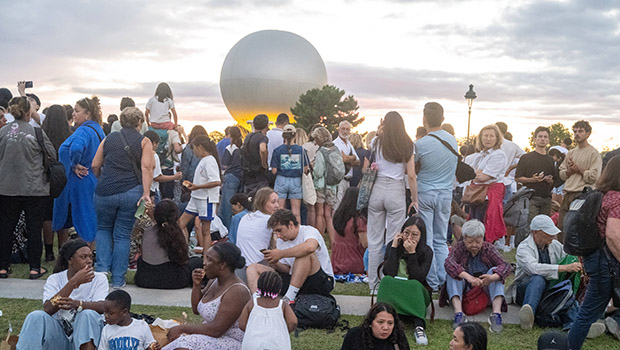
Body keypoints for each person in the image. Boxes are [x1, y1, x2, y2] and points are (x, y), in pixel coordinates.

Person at [92, 106, 154, 288]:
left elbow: (95, 165)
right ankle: (118, 279)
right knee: (122, 235)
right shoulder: (144, 142)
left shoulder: (108, 138)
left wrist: (99, 181)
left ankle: (101, 274)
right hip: (131, 192)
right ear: (139, 122)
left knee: (103, 229)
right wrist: (146, 193)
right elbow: (147, 168)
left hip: (105, 191)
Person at [567, 155, 620, 349]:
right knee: (587, 314)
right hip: (608, 264)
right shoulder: (617, 199)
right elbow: (613, 235)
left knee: (586, 312)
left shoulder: (603, 195)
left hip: (596, 260)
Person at [0, 96, 56, 279]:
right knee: (34, 228)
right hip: (34, 187)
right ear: (28, 112)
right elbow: (51, 154)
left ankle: (2, 267)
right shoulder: (36, 132)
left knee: (6, 227)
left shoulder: (2, 132)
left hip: (7, 186)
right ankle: (34, 267)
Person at [16, 239, 108, 350]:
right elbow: (48, 308)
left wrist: (78, 304)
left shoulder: (99, 279)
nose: (89, 261)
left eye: (90, 257)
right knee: (36, 316)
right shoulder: (55, 279)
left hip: (86, 336)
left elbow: (102, 306)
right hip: (59, 336)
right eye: (83, 257)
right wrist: (73, 283)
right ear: (70, 260)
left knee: (87, 314)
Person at [163, 242, 251, 350]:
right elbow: (196, 309)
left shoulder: (237, 291)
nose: (204, 263)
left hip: (231, 341)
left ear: (222, 265)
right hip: (212, 336)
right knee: (172, 337)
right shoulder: (213, 281)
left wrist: (183, 328)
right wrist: (196, 285)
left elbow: (216, 330)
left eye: (209, 260)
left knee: (185, 342)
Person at [365, 111, 417, 292]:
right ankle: (388, 281)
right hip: (396, 188)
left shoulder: (377, 142)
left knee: (374, 241)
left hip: (377, 188)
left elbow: (372, 142)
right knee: (392, 240)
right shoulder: (408, 144)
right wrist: (415, 199)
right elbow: (411, 175)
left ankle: (373, 285)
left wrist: (380, 129)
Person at [505, 215, 584, 330]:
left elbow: (568, 254)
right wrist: (564, 268)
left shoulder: (554, 244)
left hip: (548, 289)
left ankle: (576, 325)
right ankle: (529, 314)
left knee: (566, 292)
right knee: (538, 278)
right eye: (547, 233)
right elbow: (533, 268)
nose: (552, 236)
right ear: (536, 233)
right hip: (525, 290)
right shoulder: (523, 248)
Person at [414, 102, 458, 291]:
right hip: (446, 194)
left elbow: (412, 169)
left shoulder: (420, 144)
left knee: (428, 239)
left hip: (425, 192)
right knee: (441, 240)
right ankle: (443, 279)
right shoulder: (452, 140)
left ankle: (431, 281)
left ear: (424, 120)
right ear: (442, 118)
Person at [247, 209, 334, 301]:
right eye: (276, 232)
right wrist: (275, 263)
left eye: (280, 230)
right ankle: (257, 302)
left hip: (319, 280)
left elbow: (310, 247)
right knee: (253, 268)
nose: (278, 235)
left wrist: (281, 254)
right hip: (294, 280)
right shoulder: (281, 241)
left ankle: (289, 299)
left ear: (291, 225)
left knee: (305, 254)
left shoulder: (309, 231)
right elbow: (288, 269)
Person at [53, 97, 105, 243]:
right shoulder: (98, 130)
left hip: (78, 181)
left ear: (87, 113)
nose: (73, 114)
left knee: (83, 220)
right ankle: (90, 254)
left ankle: (82, 255)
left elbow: (76, 148)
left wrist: (74, 164)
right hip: (92, 179)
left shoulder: (82, 131)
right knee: (89, 218)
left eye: (77, 111)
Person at [444, 220, 512, 332]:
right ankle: (458, 314)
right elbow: (448, 263)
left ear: (482, 238)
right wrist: (468, 277)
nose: (474, 245)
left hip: (484, 288)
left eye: (478, 241)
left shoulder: (488, 248)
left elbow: (505, 266)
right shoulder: (459, 248)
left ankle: (496, 314)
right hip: (465, 289)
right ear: (464, 238)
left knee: (496, 272)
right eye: (470, 242)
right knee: (453, 274)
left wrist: (492, 277)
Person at [379, 216, 433, 345]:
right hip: (395, 286)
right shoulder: (393, 246)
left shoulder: (427, 251)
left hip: (416, 290)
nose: (409, 237)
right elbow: (389, 272)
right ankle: (384, 317)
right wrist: (393, 247)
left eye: (415, 234)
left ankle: (419, 326)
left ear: (421, 236)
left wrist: (412, 253)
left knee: (413, 284)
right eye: (406, 233)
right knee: (386, 280)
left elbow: (418, 278)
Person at [135, 200, 202, 289]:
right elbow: (183, 258)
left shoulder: (148, 232)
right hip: (171, 280)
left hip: (144, 279)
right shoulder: (176, 233)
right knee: (196, 261)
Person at [558, 120, 602, 236]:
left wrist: (579, 170)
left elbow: (594, 177)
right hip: (568, 193)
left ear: (588, 134)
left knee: (576, 228)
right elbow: (562, 174)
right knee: (562, 227)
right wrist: (570, 171)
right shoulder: (570, 153)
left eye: (581, 131)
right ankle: (563, 253)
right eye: (575, 131)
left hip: (583, 194)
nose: (577, 134)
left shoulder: (593, 153)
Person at [41, 104, 73, 261]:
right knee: (64, 216)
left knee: (47, 215)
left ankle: (48, 252)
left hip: (45, 178)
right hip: (64, 180)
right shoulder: (69, 135)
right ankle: (63, 250)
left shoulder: (41, 134)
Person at [178, 135, 221, 248]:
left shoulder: (210, 160)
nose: (195, 152)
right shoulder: (204, 160)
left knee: (205, 230)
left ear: (200, 147)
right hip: (196, 197)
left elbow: (216, 181)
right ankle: (184, 250)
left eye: (195, 148)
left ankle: (206, 259)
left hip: (205, 198)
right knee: (180, 224)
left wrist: (198, 186)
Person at [466, 125, 507, 244]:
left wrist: (476, 174)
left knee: (482, 225)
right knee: (473, 223)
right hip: (477, 194)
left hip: (488, 196)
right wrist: (476, 174)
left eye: (491, 136)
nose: (488, 139)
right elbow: (470, 174)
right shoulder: (481, 155)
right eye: (485, 136)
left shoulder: (498, 154)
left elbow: (484, 177)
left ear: (497, 138)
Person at [238, 271, 297, 350]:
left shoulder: (252, 303)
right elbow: (293, 322)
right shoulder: (282, 305)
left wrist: (251, 330)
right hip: (278, 344)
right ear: (279, 290)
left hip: (253, 344)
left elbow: (241, 324)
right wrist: (285, 331)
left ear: (258, 287)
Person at [515, 126, 556, 222]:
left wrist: (550, 180)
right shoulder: (526, 157)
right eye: (540, 136)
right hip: (531, 198)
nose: (543, 139)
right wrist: (532, 180)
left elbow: (554, 180)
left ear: (548, 140)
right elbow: (517, 178)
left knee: (543, 227)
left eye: (545, 137)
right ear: (535, 139)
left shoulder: (550, 159)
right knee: (531, 226)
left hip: (546, 198)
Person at [271, 124, 310, 224]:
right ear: (295, 136)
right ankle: (297, 233)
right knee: (296, 212)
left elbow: (274, 170)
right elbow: (306, 169)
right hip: (296, 180)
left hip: (281, 180)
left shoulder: (277, 150)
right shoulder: (301, 150)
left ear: (283, 136)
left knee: (279, 210)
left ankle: (278, 232)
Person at [237, 187, 280, 268]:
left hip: (241, 265)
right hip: (258, 265)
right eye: (273, 202)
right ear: (262, 203)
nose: (277, 205)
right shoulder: (270, 220)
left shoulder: (246, 217)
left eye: (278, 202)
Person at [341, 302, 409, 350]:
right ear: (370, 322)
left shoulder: (399, 336)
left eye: (390, 323)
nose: (385, 327)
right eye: (380, 322)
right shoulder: (354, 334)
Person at [312, 126, 339, 243]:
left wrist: (313, 167)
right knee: (328, 214)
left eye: (315, 138)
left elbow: (318, 172)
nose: (314, 141)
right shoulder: (336, 149)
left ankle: (319, 240)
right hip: (333, 185)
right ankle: (333, 242)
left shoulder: (321, 152)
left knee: (320, 213)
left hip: (321, 186)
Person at [332, 187, 368, 275]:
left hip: (336, 262)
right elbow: (366, 244)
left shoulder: (337, 217)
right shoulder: (359, 221)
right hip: (355, 263)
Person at [144, 130, 183, 203]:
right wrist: (174, 177)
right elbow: (157, 177)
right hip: (153, 190)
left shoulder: (139, 153)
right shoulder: (154, 156)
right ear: (153, 143)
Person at [218, 126, 244, 228]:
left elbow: (224, 164)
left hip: (230, 177)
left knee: (226, 204)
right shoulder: (242, 148)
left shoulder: (230, 148)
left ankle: (226, 227)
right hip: (240, 177)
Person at [333, 121, 360, 209]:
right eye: (343, 129)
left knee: (345, 207)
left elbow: (358, 161)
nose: (345, 131)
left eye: (347, 129)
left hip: (348, 180)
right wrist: (352, 158)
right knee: (337, 206)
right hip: (339, 180)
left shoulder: (349, 144)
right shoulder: (335, 143)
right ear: (338, 129)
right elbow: (342, 159)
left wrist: (348, 158)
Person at [180, 125, 208, 204]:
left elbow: (185, 167)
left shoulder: (189, 148)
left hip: (191, 182)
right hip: (205, 183)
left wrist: (183, 183)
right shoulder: (209, 149)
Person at [242, 114, 270, 193]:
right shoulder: (262, 137)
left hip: (248, 172)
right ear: (266, 125)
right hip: (258, 173)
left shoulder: (248, 137)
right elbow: (263, 149)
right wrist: (264, 163)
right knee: (261, 196)